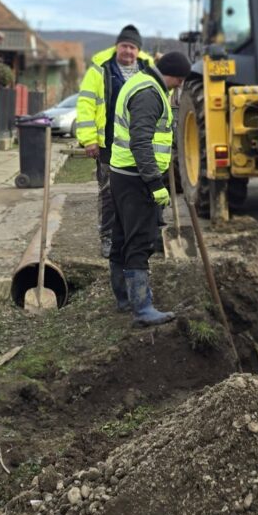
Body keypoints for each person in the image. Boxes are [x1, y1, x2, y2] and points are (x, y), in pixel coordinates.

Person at [108, 51, 192, 327]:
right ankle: (142, 309)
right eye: (179, 80)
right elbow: (141, 142)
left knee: (122, 237)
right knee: (139, 242)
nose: (179, 85)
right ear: (171, 74)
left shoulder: (141, 81)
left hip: (123, 173)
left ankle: (124, 299)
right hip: (136, 178)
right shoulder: (149, 94)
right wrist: (155, 184)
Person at [75, 25, 155, 258]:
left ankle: (137, 238)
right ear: (117, 47)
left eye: (133, 47)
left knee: (141, 191)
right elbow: (86, 105)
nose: (128, 51)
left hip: (140, 145)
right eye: (125, 46)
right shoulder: (99, 71)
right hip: (108, 145)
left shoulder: (148, 71)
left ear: (138, 51)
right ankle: (108, 237)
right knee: (109, 193)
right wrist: (89, 140)